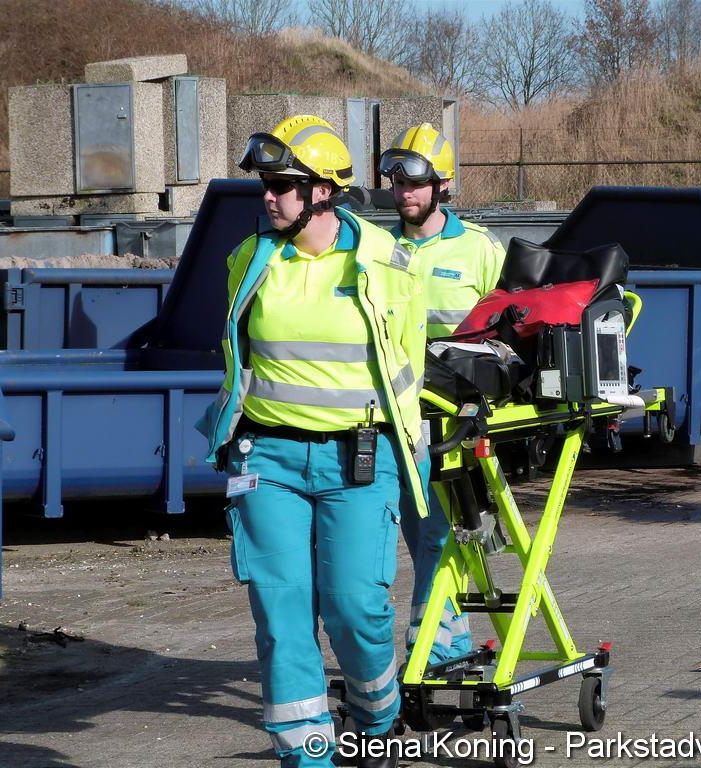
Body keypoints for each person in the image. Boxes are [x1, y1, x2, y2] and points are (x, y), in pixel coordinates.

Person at [199, 115, 428, 768]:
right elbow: (238, 358)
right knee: (282, 616)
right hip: (265, 459)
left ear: (323, 191)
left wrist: (409, 447)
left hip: (359, 459)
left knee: (355, 608)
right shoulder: (249, 261)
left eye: (282, 185)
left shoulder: (388, 263)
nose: (268, 197)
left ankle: (377, 716)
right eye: (266, 185)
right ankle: (309, 757)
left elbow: (407, 366)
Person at [378, 123, 506, 665]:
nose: (404, 193)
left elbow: (510, 335)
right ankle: (444, 639)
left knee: (444, 533)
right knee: (424, 534)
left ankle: (435, 645)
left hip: (462, 420)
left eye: (415, 182)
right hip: (401, 414)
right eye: (397, 183)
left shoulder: (480, 249)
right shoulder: (380, 249)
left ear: (443, 184)